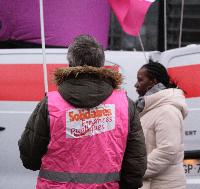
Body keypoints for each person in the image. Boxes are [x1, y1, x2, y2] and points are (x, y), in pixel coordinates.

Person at [18, 35, 147, 189]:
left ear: (71, 63)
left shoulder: (50, 104)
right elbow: (136, 161)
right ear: (101, 63)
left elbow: (30, 156)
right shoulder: (125, 105)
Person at [135, 61, 188, 189]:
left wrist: (135, 171)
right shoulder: (149, 108)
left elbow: (168, 150)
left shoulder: (167, 111)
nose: (135, 85)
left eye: (140, 80)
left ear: (153, 82)